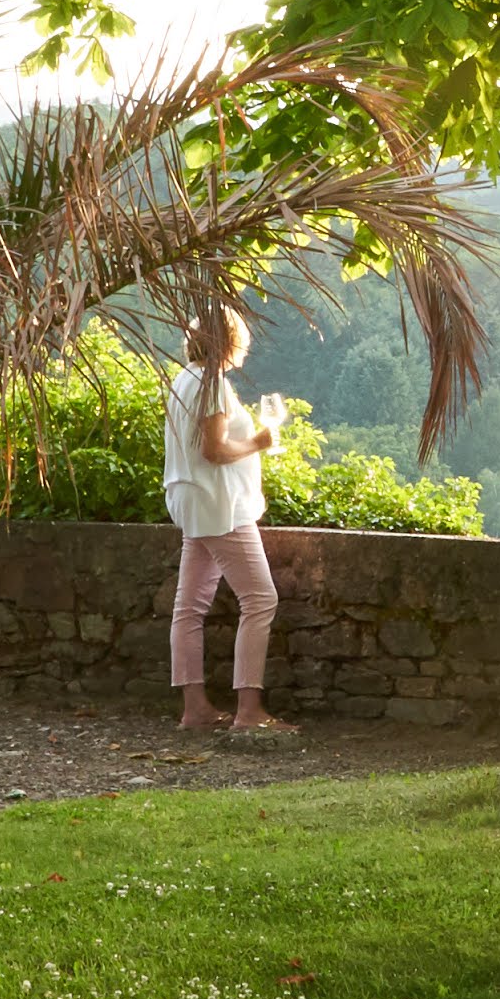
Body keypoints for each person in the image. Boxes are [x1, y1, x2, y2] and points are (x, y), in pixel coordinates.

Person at [162, 305, 291, 736]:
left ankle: (194, 708)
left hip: (191, 502)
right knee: (260, 599)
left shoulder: (183, 379)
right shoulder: (213, 380)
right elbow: (214, 451)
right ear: (232, 339)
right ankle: (249, 710)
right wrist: (257, 441)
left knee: (189, 607)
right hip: (221, 506)